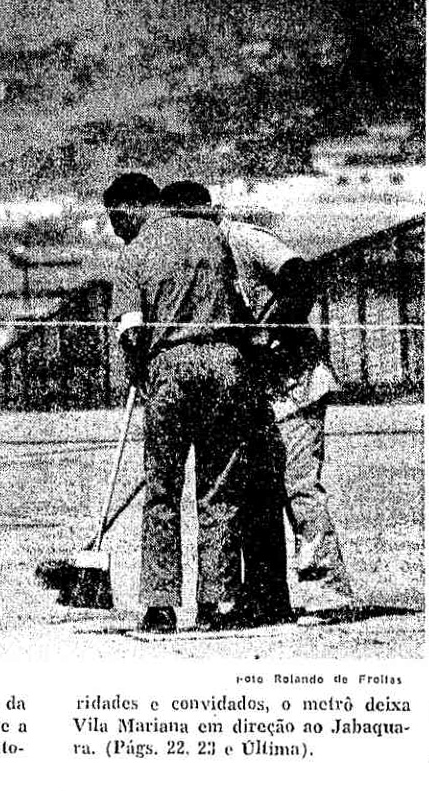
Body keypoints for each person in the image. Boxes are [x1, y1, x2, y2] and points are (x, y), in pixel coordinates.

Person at [107, 172, 290, 632]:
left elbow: (131, 330)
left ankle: (161, 604)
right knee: (218, 490)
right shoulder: (217, 240)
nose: (115, 228)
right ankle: (217, 602)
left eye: (116, 218)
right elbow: (242, 305)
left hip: (170, 370)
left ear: (136, 211)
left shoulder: (136, 252)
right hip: (226, 369)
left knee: (162, 492)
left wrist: (140, 373)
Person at [160, 180, 353, 604]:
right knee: (256, 491)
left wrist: (266, 331)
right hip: (254, 391)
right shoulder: (194, 258)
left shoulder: (243, 239)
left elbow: (302, 278)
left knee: (298, 487)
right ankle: (268, 598)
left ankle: (330, 593)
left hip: (296, 384)